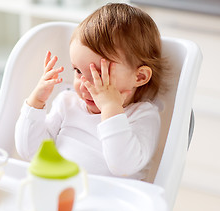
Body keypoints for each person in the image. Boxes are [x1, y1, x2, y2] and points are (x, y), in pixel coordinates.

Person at [15, 3, 165, 180]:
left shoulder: (142, 116)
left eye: (99, 75)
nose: (85, 85)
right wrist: (36, 104)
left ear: (139, 77)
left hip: (110, 202)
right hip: (61, 191)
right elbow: (30, 152)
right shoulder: (67, 103)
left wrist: (110, 108)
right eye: (78, 71)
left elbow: (122, 166)